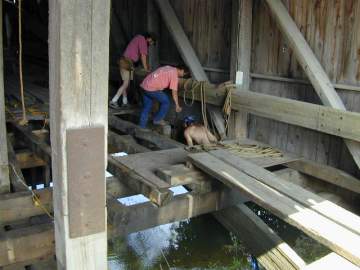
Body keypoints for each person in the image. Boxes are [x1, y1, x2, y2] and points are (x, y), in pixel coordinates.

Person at [110, 33, 156, 109]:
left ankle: (125, 102)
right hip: (126, 62)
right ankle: (113, 101)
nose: (150, 44)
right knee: (126, 83)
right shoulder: (142, 40)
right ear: (149, 38)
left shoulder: (138, 38)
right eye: (151, 42)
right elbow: (143, 56)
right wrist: (146, 69)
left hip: (128, 63)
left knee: (126, 84)